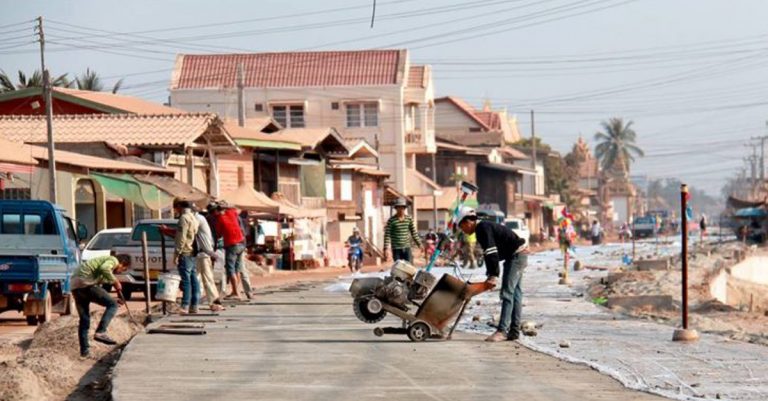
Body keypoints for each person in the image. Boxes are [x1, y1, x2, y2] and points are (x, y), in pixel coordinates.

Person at [457, 207, 527, 342]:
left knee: (507, 293)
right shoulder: (484, 226)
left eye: (462, 227)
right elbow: (493, 251)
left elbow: (491, 252)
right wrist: (490, 273)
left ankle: (502, 331)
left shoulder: (482, 228)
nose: (463, 231)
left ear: (467, 222)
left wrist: (493, 275)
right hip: (518, 255)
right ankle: (514, 331)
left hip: (516, 257)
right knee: (516, 294)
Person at [71, 254, 130, 358]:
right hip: (86, 282)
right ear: (122, 264)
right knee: (112, 305)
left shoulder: (100, 268)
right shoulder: (113, 260)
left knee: (84, 320)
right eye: (123, 269)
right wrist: (116, 282)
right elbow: (105, 269)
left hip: (76, 286)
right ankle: (101, 332)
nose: (120, 272)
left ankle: (84, 352)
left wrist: (112, 297)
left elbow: (100, 289)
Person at [213, 202, 247, 300]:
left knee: (230, 269)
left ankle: (236, 293)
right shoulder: (232, 213)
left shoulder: (220, 218)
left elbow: (218, 234)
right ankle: (236, 291)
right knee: (237, 268)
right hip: (241, 243)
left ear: (217, 211)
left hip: (232, 244)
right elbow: (235, 208)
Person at [172, 200, 200, 314]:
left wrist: (177, 254)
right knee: (193, 279)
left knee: (186, 281)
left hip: (185, 252)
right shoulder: (194, 217)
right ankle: (194, 305)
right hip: (192, 252)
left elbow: (181, 238)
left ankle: (185, 305)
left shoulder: (183, 218)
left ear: (179, 207)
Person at [383, 198, 421, 263]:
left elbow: (414, 233)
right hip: (396, 248)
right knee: (398, 267)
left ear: (404, 208)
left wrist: (419, 244)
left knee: (409, 266)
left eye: (402, 208)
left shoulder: (409, 219)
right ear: (396, 208)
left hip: (406, 247)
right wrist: (386, 248)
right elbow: (387, 235)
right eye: (399, 208)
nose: (401, 210)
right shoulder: (392, 221)